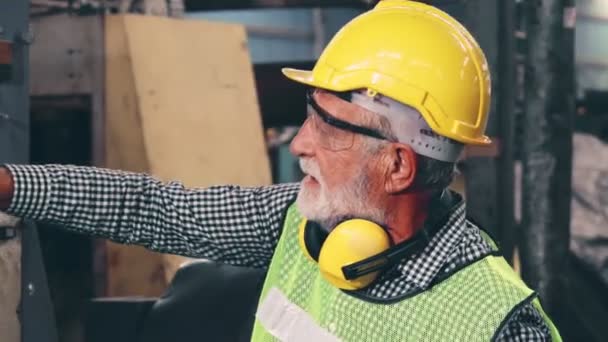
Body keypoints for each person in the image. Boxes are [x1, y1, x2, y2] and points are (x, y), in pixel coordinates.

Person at [0, 1, 560, 341]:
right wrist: (10, 184)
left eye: (330, 127)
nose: (299, 143)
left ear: (396, 164)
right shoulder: (298, 222)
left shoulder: (497, 325)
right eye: (306, 117)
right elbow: (154, 208)